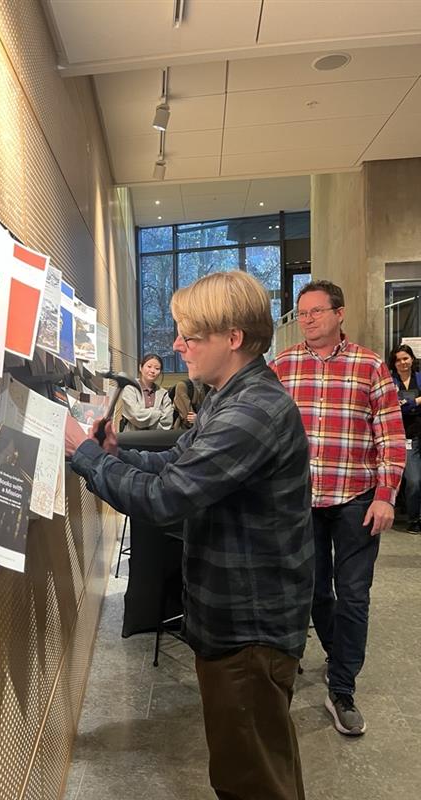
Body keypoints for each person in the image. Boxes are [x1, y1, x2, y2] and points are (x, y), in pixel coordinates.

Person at [66, 271, 314, 800]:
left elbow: (164, 499)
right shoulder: (228, 397)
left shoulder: (253, 412)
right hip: (234, 618)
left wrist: (84, 457)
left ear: (233, 337)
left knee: (252, 781)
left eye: (190, 336)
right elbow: (179, 461)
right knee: (253, 765)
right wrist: (114, 454)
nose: (177, 345)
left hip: (249, 629)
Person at [271, 280, 406, 737]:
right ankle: (335, 652)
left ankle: (343, 688)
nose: (307, 319)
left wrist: (386, 494)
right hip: (300, 502)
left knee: (353, 594)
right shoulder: (282, 366)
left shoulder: (370, 366)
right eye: (301, 313)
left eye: (316, 312)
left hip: (357, 500)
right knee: (312, 591)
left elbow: (390, 436)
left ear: (339, 313)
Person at [388, 343, 421, 533]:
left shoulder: (419, 377)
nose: (403, 363)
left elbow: (403, 406)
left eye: (405, 358)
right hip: (406, 438)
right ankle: (414, 518)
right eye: (398, 360)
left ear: (412, 359)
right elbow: (394, 407)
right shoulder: (390, 382)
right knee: (414, 480)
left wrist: (407, 404)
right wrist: (416, 401)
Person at [120, 352, 173, 431]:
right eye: (149, 366)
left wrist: (147, 416)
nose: (152, 371)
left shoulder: (163, 393)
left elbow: (168, 421)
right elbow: (135, 415)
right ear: (140, 368)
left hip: (156, 439)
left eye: (157, 368)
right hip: (132, 438)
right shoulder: (130, 388)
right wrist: (158, 413)